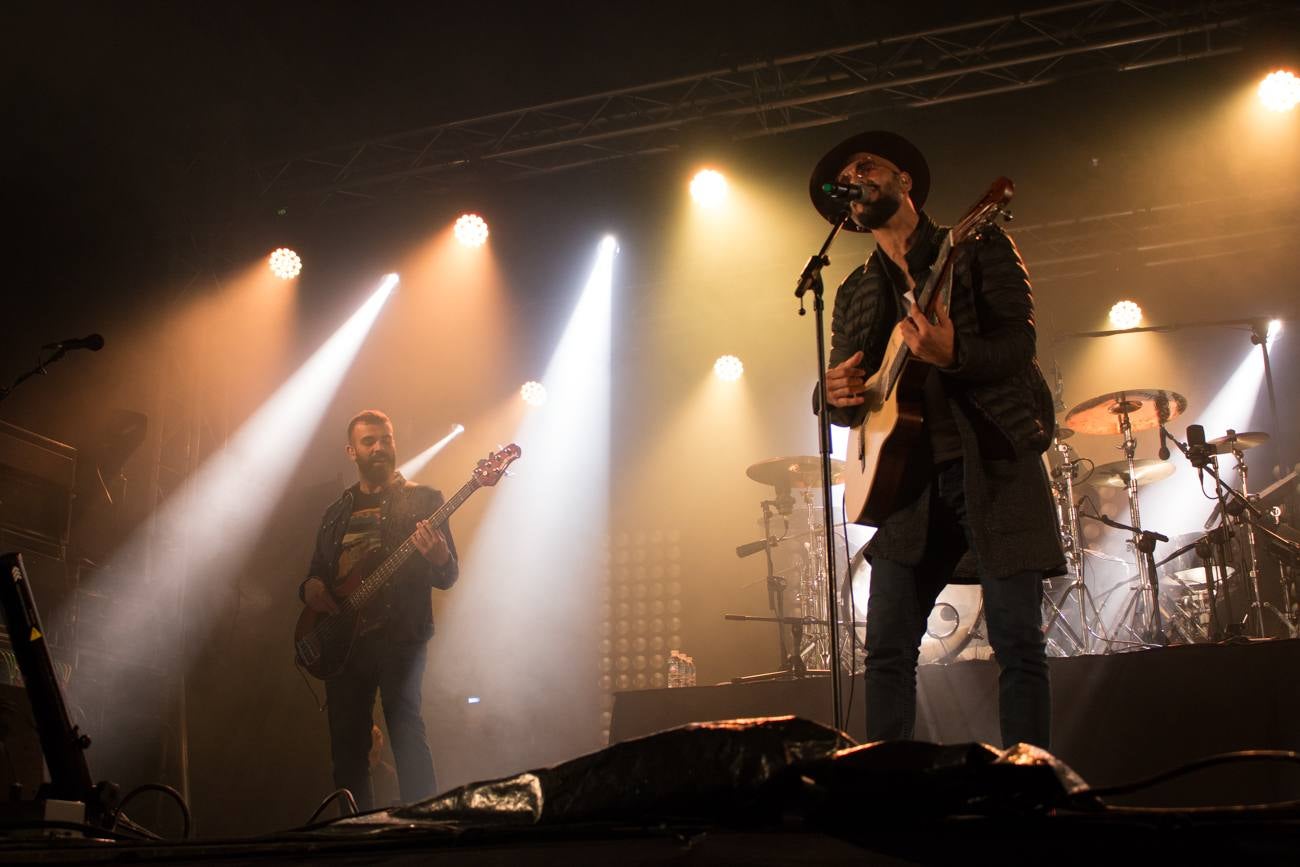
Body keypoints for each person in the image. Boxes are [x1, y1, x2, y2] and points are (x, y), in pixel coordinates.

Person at [809, 131, 1064, 748]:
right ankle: (890, 791)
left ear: (905, 182)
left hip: (992, 459)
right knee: (888, 649)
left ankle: (1027, 789)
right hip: (906, 481)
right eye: (846, 174)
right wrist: (832, 396)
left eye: (866, 165)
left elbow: (1018, 348)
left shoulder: (978, 245)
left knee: (1017, 644)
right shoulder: (854, 291)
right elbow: (853, 396)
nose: (855, 175)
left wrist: (956, 354)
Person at [299, 409, 458, 809]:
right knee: (347, 745)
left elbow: (448, 574)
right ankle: (354, 831)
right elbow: (317, 571)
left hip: (401, 635)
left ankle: (424, 827)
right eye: (369, 441)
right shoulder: (336, 512)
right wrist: (311, 588)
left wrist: (439, 557)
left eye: (385, 439)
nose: (379, 448)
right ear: (351, 451)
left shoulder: (425, 500)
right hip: (345, 640)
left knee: (406, 728)